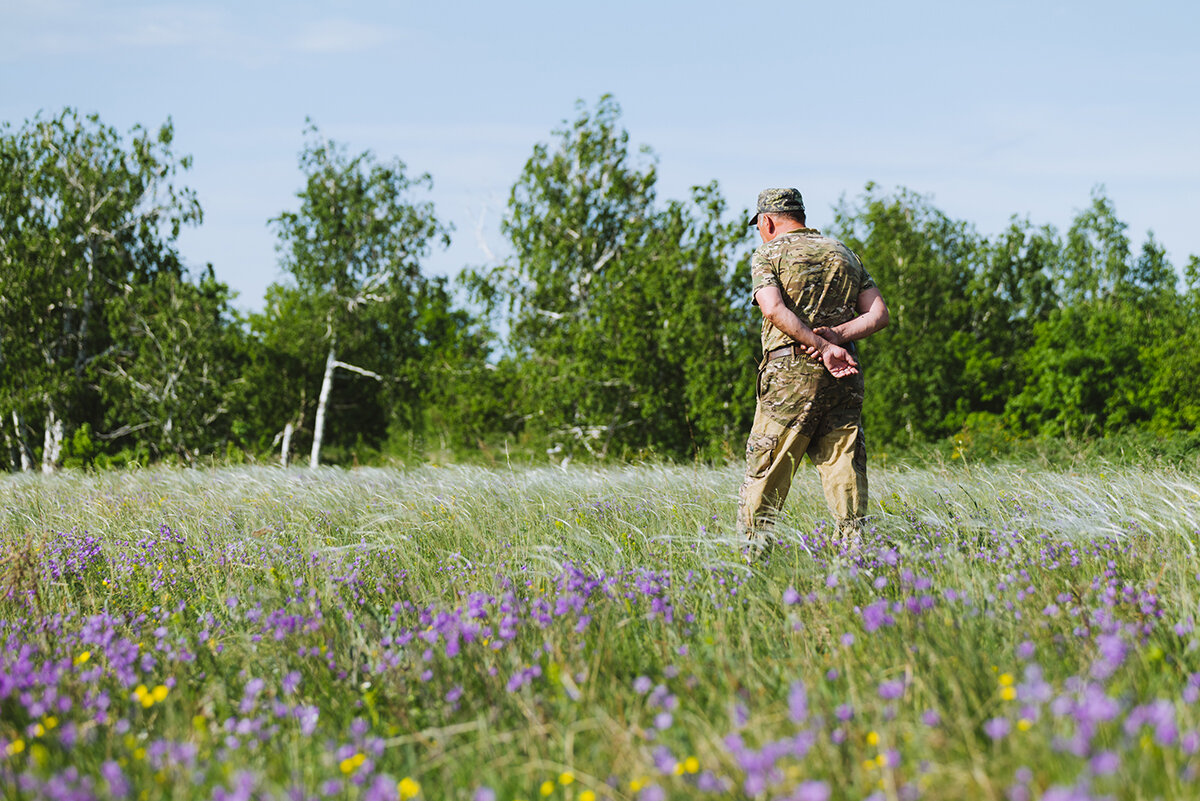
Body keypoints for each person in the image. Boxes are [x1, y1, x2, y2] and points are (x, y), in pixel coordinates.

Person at [736, 187, 890, 558]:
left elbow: (772, 309)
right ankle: (854, 561)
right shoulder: (844, 254)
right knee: (845, 471)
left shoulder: (768, 253)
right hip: (844, 378)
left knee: (767, 471)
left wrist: (819, 345)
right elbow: (878, 314)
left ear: (767, 221)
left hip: (789, 380)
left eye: (759, 224)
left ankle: (749, 563)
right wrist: (837, 338)